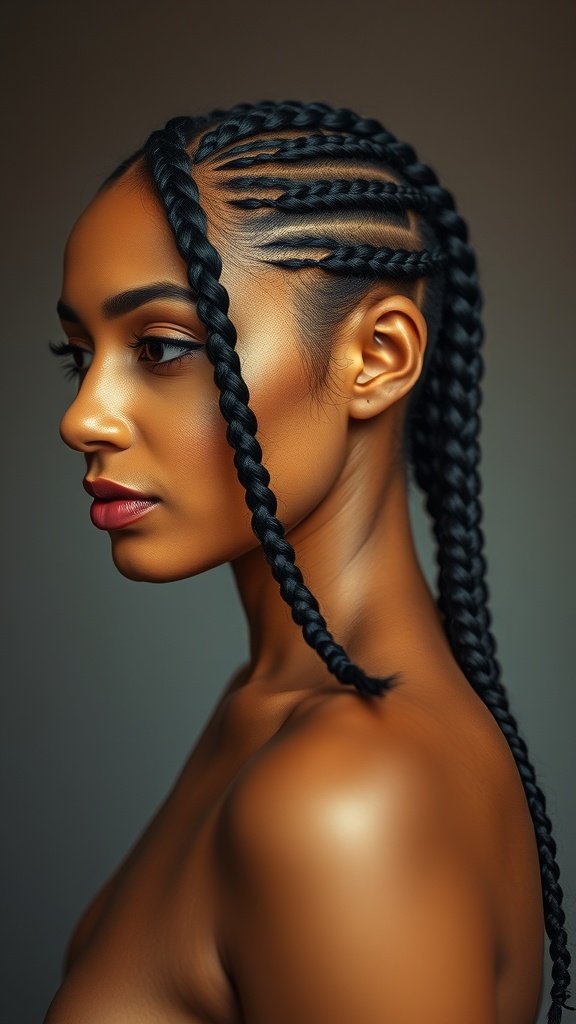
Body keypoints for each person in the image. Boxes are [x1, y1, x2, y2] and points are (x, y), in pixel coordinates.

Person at [44, 99, 572, 1024]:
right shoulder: (267, 708)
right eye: (79, 356)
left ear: (377, 355)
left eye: (164, 346)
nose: (84, 416)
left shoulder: (348, 798)